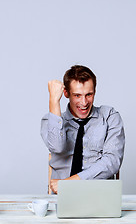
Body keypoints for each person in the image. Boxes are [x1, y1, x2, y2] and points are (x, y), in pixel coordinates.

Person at [41, 65, 125, 194]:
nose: (84, 102)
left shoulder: (109, 117)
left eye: (89, 94)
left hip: (100, 193)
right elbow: (57, 147)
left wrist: (70, 182)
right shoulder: (51, 120)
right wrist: (53, 101)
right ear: (66, 94)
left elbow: (112, 161)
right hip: (61, 195)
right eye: (77, 95)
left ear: (94, 91)